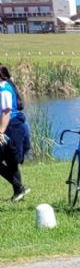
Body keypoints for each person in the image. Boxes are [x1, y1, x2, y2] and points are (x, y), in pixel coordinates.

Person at [0, 65, 31, 202]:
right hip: (11, 127)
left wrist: (0, 132)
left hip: (12, 128)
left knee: (11, 160)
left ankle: (19, 188)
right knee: (11, 161)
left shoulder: (4, 89)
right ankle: (18, 192)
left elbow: (6, 112)